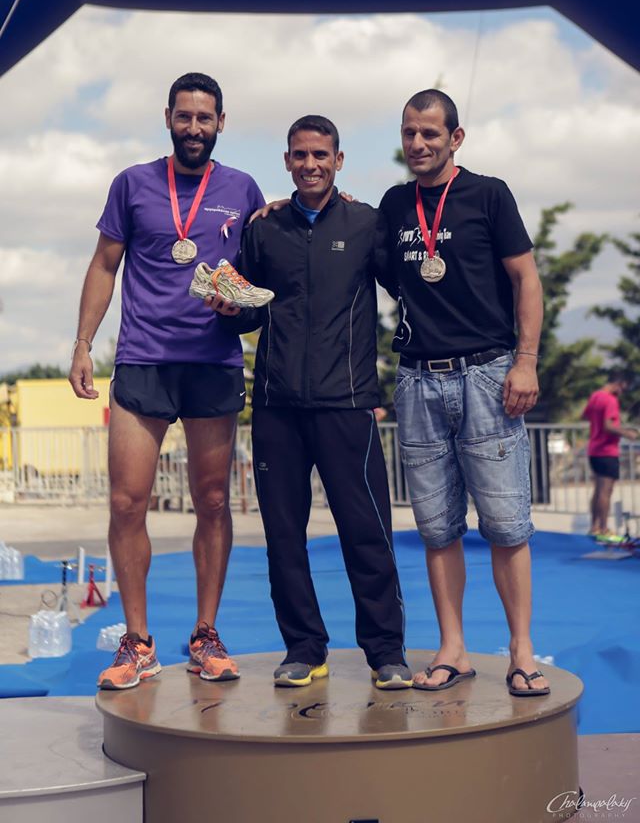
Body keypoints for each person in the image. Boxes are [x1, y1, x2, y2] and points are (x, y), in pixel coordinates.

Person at [69, 72, 265, 690]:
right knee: (127, 503)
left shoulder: (242, 188)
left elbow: (261, 267)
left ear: (221, 122)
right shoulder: (132, 183)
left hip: (213, 362)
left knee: (213, 501)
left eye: (205, 118)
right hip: (143, 360)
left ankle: (206, 635)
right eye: (185, 117)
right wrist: (82, 344)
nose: (194, 128)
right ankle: (138, 642)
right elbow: (105, 265)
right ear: (168, 118)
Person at [211, 115, 411, 690]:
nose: (310, 164)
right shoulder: (264, 229)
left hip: (347, 404)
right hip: (276, 406)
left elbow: (407, 289)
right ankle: (304, 648)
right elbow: (247, 310)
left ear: (339, 160)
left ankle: (385, 653)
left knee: (366, 533)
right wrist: (229, 310)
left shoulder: (367, 223)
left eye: (321, 154)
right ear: (287, 161)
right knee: (283, 536)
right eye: (300, 155)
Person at [378, 88, 549, 697]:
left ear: (455, 137)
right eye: (409, 132)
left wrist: (525, 362)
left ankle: (521, 651)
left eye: (430, 133)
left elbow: (526, 279)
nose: (418, 143)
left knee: (506, 524)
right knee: (436, 528)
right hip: (417, 380)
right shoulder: (394, 204)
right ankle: (453, 648)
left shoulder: (489, 194)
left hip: (487, 375)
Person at [582, 371, 638, 536]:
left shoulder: (596, 396)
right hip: (607, 452)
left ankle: (594, 527)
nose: (622, 392)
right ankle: (604, 529)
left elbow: (585, 416)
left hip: (594, 450)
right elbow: (608, 426)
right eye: (623, 388)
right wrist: (628, 433)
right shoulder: (610, 400)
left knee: (598, 491)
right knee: (606, 492)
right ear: (618, 384)